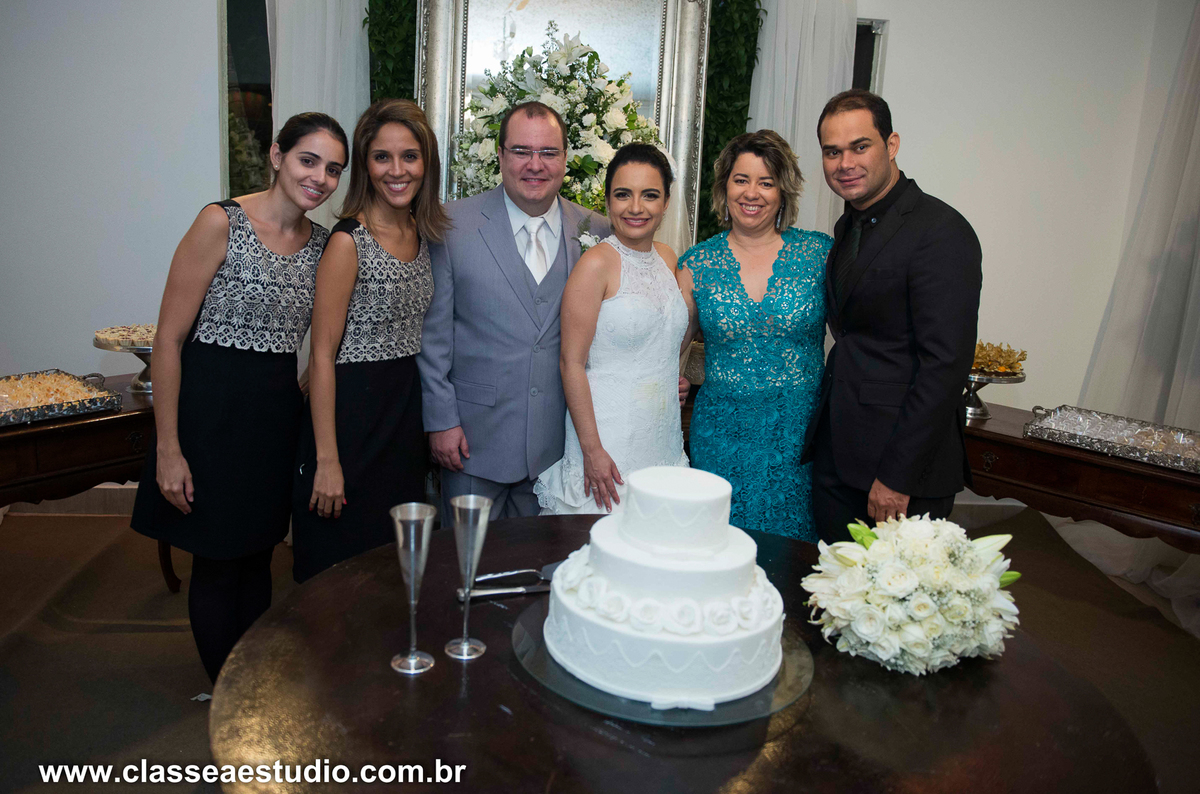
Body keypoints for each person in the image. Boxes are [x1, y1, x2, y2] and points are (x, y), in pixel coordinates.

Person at [131, 113, 348, 682]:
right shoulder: (220, 221)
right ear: (277, 155)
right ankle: (223, 688)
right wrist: (168, 448)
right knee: (218, 561)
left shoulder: (325, 245)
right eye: (309, 160)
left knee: (258, 556)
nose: (320, 178)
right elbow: (169, 340)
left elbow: (320, 344)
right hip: (210, 417)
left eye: (333, 170)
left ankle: (247, 686)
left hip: (274, 421)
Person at [801, 89, 982, 543]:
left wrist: (897, 476)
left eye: (860, 146)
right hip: (839, 452)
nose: (845, 163)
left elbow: (945, 364)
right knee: (832, 593)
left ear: (892, 145)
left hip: (899, 471)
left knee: (893, 606)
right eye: (832, 151)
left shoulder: (940, 231)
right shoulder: (848, 225)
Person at [417, 102, 610, 520]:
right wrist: (440, 420)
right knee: (466, 570)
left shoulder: (597, 231)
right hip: (471, 439)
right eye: (521, 151)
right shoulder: (451, 225)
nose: (534, 165)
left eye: (548, 152)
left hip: (559, 447)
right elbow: (433, 336)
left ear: (565, 159)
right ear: (501, 156)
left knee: (545, 576)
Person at [291, 99, 448, 582]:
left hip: (401, 424)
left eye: (410, 156)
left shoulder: (425, 235)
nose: (397, 170)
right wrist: (327, 460)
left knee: (392, 572)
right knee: (336, 578)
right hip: (348, 423)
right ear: (365, 164)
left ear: (427, 163)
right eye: (382, 157)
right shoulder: (348, 241)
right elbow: (320, 357)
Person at [676, 131, 831, 540]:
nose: (753, 193)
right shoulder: (697, 264)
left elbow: (864, 337)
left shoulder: (820, 255)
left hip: (798, 441)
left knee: (792, 561)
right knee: (718, 554)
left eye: (766, 182)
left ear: (783, 192)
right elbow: (667, 350)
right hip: (721, 438)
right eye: (741, 179)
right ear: (724, 187)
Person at [535, 144, 689, 514]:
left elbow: (667, 340)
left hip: (662, 438)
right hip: (609, 441)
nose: (636, 208)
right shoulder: (595, 265)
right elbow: (571, 364)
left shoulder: (669, 259)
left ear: (666, 202)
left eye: (649, 195)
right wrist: (592, 451)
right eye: (623, 195)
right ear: (607, 201)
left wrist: (673, 379)